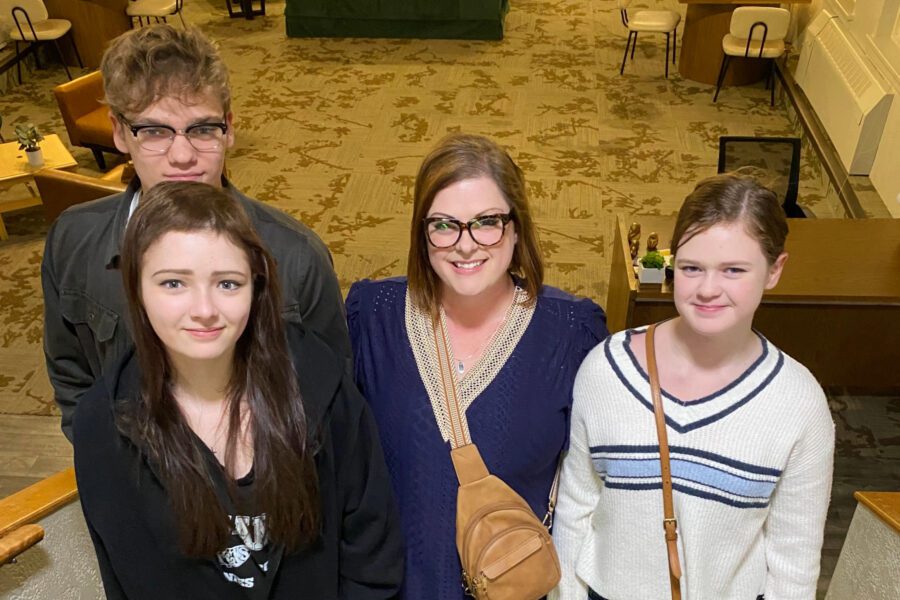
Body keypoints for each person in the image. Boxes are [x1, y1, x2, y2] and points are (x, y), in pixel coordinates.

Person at [73, 181, 403, 599]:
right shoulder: (103, 428)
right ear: (137, 288)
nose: (205, 309)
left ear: (256, 286)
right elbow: (130, 581)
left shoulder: (320, 386)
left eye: (228, 283)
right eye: (174, 283)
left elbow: (372, 551)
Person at [42, 24, 349, 442]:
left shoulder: (297, 257)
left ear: (229, 128)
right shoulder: (71, 241)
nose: (183, 156)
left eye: (203, 129)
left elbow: (332, 405)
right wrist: (105, 466)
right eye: (154, 131)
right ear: (118, 132)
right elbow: (72, 375)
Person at [346, 133, 608, 598]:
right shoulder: (372, 318)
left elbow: (585, 492)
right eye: (444, 225)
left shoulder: (570, 333)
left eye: (486, 222)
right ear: (421, 231)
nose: (465, 245)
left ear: (517, 227)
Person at [552, 173, 835, 600]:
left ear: (774, 271)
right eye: (690, 268)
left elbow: (793, 558)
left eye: (733, 270)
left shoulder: (798, 404)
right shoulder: (605, 369)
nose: (707, 289)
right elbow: (575, 506)